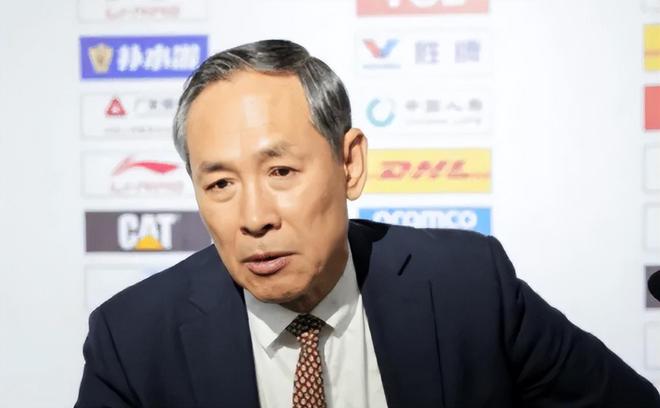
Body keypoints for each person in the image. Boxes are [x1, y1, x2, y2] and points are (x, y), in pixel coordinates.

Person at [75, 39, 660, 408]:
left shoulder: (469, 287)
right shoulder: (131, 339)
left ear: (349, 164)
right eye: (220, 184)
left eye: (281, 171)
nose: (253, 219)